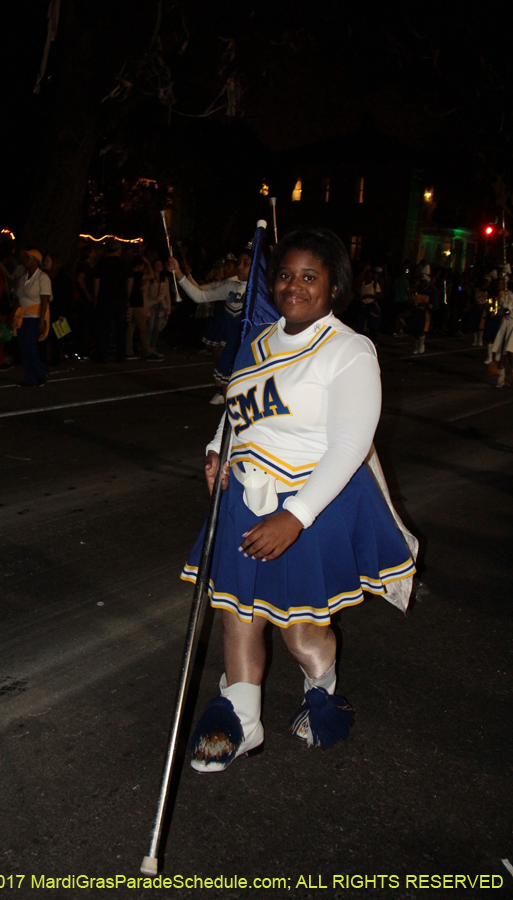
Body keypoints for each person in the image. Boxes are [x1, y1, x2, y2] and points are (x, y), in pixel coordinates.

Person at [181, 227, 416, 772]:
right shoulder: (259, 343)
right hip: (246, 495)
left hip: (313, 501)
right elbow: (235, 412)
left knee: (300, 628)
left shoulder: (349, 350)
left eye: (310, 276)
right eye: (286, 274)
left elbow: (352, 445)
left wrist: (295, 516)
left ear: (334, 286)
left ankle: (324, 691)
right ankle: (243, 719)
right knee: (238, 612)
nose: (295, 285)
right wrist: (216, 454)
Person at [168, 249, 252, 404]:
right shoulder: (231, 286)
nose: (240, 267)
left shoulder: (264, 291)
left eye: (246, 264)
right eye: (239, 263)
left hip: (252, 355)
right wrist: (178, 272)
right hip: (232, 350)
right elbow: (200, 296)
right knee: (231, 404)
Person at [12, 249, 51, 387]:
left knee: (29, 345)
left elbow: (45, 300)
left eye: (28, 258)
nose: (25, 260)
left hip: (34, 316)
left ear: (36, 260)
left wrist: (42, 321)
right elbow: (19, 298)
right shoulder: (23, 278)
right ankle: (30, 377)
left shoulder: (42, 278)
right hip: (23, 316)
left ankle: (41, 371)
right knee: (23, 348)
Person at [93, 241, 129, 363]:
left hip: (105, 298)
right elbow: (130, 281)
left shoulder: (102, 262)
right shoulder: (124, 263)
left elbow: (97, 281)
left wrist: (96, 296)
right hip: (120, 298)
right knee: (121, 327)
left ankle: (102, 354)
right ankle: (121, 354)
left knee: (104, 327)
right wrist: (127, 296)